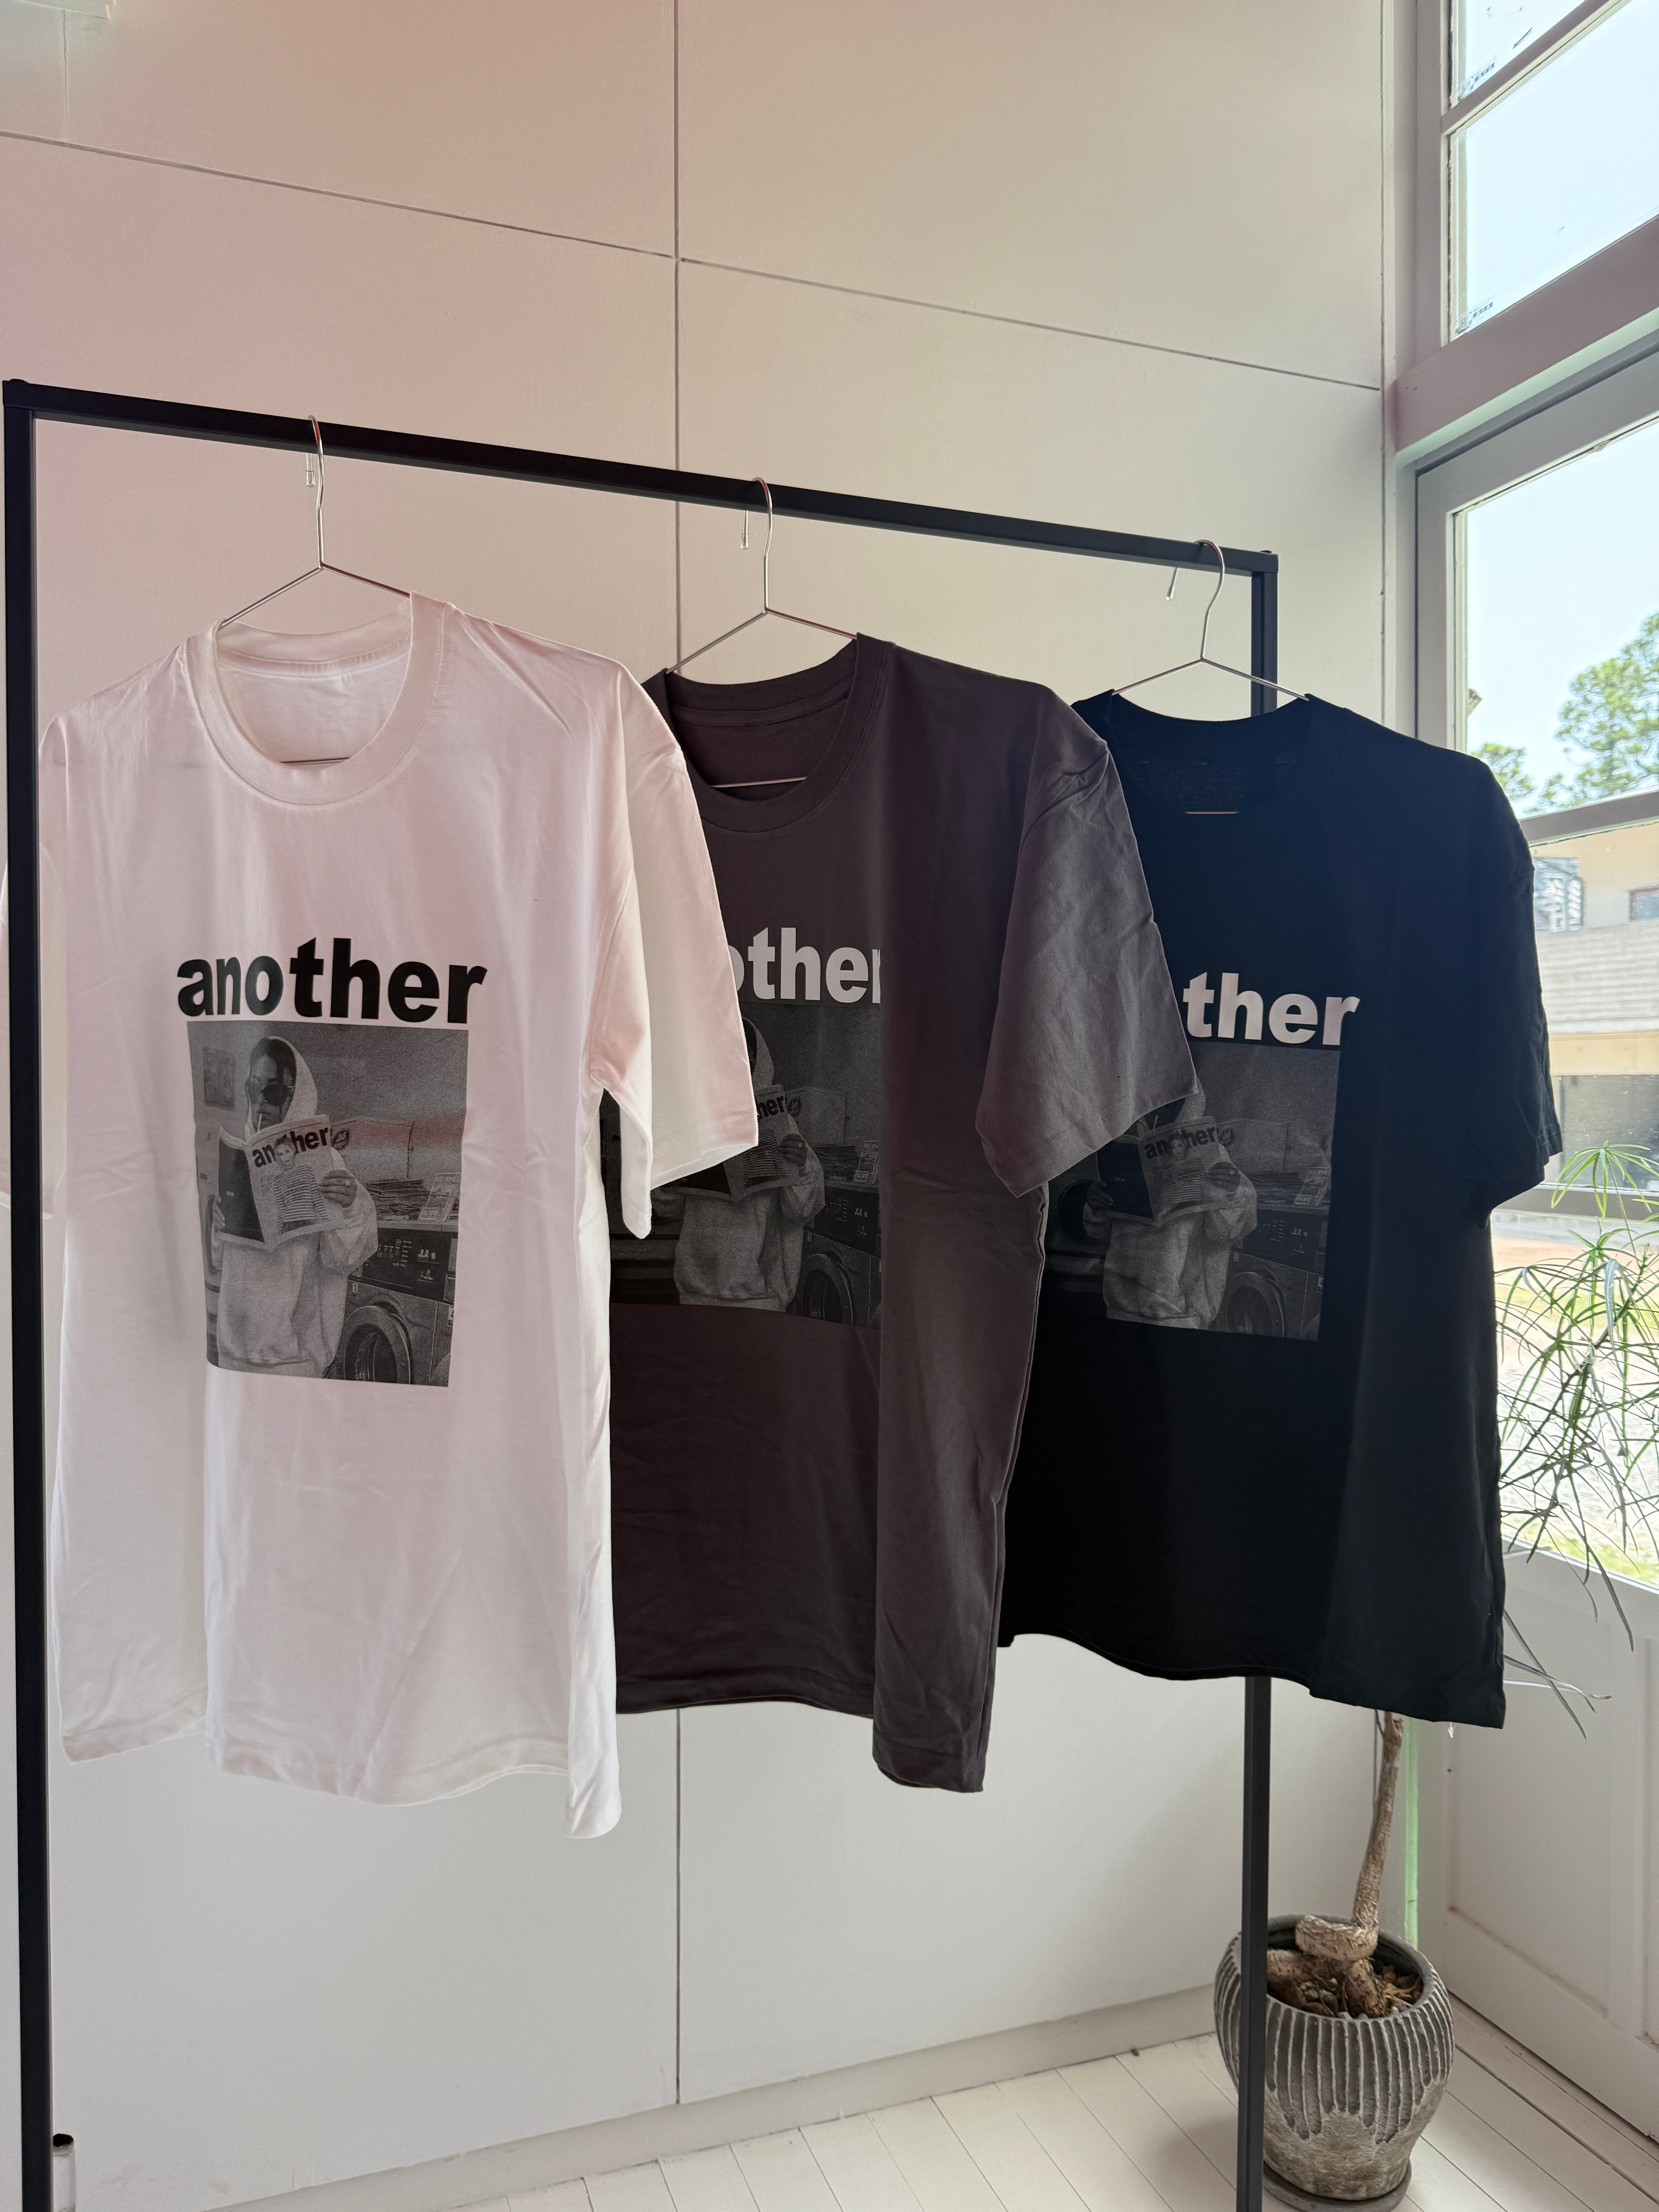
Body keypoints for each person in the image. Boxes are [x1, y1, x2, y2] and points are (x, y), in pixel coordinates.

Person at [210, 1036, 378, 1376]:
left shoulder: (327, 1162)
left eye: (273, 1091)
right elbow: (220, 1262)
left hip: (291, 1360)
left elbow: (345, 1258)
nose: (261, 1102)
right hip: (232, 1349)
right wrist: (219, 1224)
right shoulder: (239, 1158)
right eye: (254, 1088)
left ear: (296, 1095)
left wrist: (349, 1207)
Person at [658, 1020, 824, 1311]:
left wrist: (801, 1166)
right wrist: (670, 1171)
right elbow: (665, 1208)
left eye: (746, 1055)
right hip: (697, 1292)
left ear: (759, 1062)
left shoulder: (783, 1125)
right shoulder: (691, 1123)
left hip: (760, 1297)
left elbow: (801, 1211)